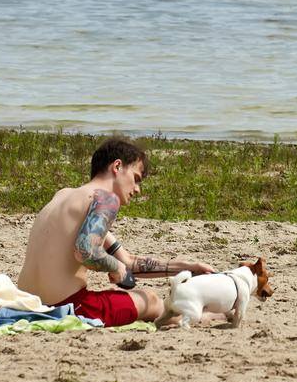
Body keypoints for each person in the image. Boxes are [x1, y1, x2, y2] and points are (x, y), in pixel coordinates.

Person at [17, 136, 213, 325]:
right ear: (117, 166)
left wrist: (188, 266)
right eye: (136, 178)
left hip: (25, 303)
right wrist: (116, 268)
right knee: (150, 299)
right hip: (66, 307)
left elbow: (129, 262)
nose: (137, 190)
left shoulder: (64, 196)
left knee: (146, 298)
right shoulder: (106, 199)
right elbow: (86, 251)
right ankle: (204, 317)